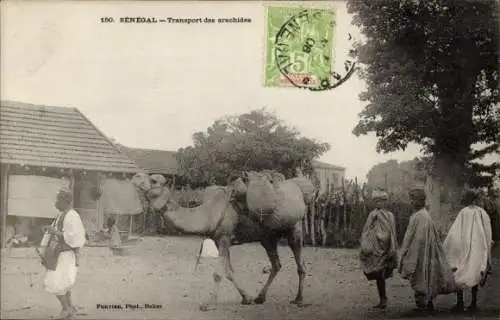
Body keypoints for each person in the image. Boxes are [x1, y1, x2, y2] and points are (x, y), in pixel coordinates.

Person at [398, 186, 456, 312]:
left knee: (423, 275)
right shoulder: (420, 215)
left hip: (422, 251)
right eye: (411, 199)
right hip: (422, 251)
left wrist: (409, 252)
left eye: (414, 199)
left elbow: (418, 237)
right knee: (424, 275)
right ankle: (425, 303)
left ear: (420, 200)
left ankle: (425, 304)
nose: (412, 202)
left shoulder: (421, 216)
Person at [443, 189, 493, 312]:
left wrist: (450, 245)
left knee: (460, 271)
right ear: (475, 199)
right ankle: (473, 303)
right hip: (478, 248)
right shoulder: (482, 213)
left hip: (463, 247)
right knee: (475, 270)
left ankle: (460, 303)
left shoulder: (464, 212)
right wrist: (487, 246)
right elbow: (487, 231)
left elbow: (455, 232)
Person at [40, 187, 86, 319]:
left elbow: (73, 237)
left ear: (65, 200)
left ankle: (66, 309)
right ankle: (69, 308)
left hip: (66, 254)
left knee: (54, 281)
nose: (55, 203)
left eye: (58, 200)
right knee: (63, 282)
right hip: (58, 253)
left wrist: (53, 232)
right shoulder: (62, 214)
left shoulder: (72, 216)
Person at [360, 189, 398, 309]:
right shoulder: (372, 214)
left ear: (385, 202)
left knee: (382, 274)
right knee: (377, 274)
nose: (378, 204)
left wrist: (388, 243)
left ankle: (383, 299)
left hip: (385, 248)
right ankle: (382, 299)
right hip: (374, 248)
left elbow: (391, 232)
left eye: (380, 201)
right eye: (376, 201)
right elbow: (367, 229)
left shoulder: (389, 215)